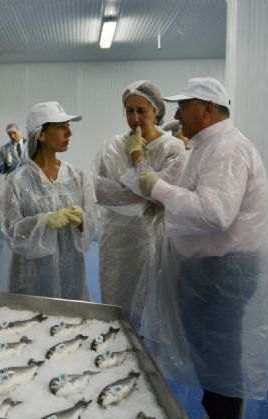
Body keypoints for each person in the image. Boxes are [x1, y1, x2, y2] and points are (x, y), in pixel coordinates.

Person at [138, 77, 268, 418]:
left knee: (220, 356)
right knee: (212, 354)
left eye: (185, 106)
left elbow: (215, 215)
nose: (178, 114)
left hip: (224, 271)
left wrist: (159, 189)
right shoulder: (207, 146)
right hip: (211, 270)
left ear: (208, 109)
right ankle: (218, 407)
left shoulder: (227, 149)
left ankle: (224, 413)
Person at [92, 80, 186, 328]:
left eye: (142, 111)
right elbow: (99, 190)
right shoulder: (111, 147)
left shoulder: (173, 148)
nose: (135, 118)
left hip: (152, 241)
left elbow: (162, 194)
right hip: (116, 242)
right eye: (129, 111)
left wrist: (137, 160)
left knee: (150, 309)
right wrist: (145, 194)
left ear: (156, 111)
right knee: (115, 307)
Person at [1, 101, 96, 300]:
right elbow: (11, 232)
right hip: (30, 279)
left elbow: (91, 231)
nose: (69, 133)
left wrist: (82, 222)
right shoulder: (16, 181)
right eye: (62, 127)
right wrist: (44, 221)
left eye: (69, 127)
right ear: (41, 135)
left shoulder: (77, 177)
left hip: (71, 276)